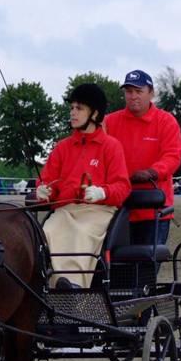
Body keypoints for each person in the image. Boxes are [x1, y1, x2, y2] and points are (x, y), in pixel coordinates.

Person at [36, 83, 131, 289]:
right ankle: (48, 289)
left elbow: (123, 187)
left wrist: (102, 192)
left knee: (80, 237)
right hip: (64, 210)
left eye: (79, 108)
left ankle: (73, 290)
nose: (72, 113)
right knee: (46, 233)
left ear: (95, 113)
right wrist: (43, 191)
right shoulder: (62, 148)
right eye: (71, 108)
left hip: (98, 212)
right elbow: (47, 180)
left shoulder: (111, 146)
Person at [103, 70, 181, 246]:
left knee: (147, 269)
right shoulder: (109, 122)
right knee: (118, 269)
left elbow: (173, 156)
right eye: (129, 91)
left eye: (138, 91)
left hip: (154, 210)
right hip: (118, 209)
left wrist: (152, 172)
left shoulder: (166, 121)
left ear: (151, 93)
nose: (133, 96)